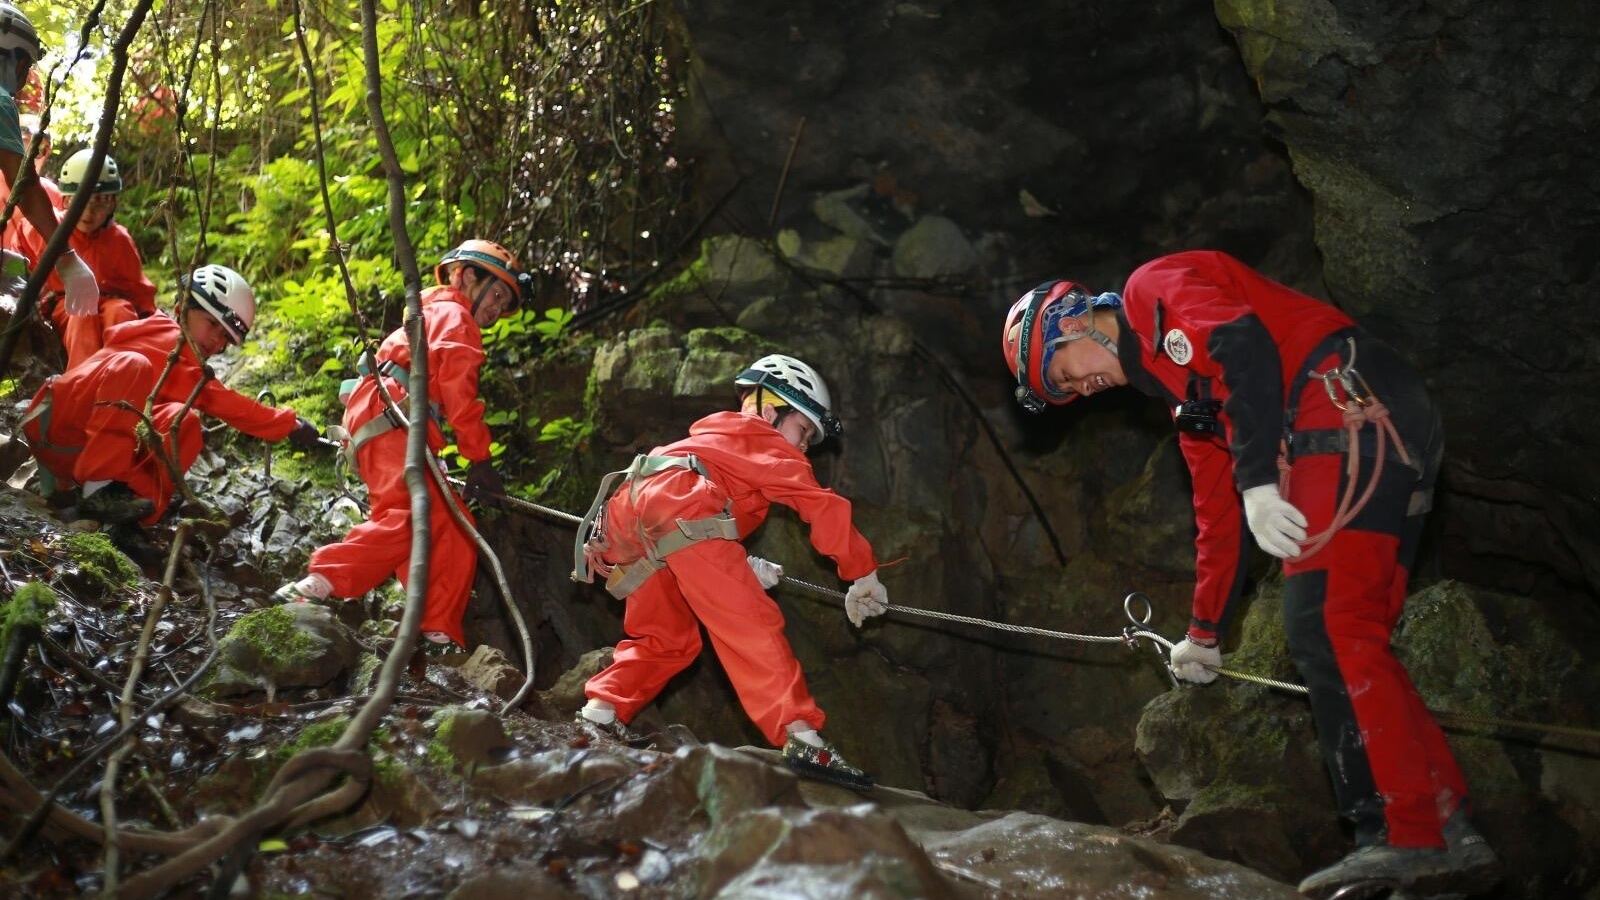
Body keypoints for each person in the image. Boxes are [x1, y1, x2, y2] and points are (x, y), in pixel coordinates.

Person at [1001, 250, 1498, 897]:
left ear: (1068, 327)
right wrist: (1203, 634)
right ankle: (1445, 825)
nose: (1072, 392)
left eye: (1058, 376)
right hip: (1385, 416)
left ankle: (1400, 835)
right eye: (1058, 395)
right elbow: (1218, 520)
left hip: (1341, 400)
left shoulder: (1152, 290)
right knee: (1352, 632)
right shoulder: (1189, 401)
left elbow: (1244, 345)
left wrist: (1260, 481)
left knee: (1326, 624)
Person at [571, 354, 890, 789]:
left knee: (669, 640)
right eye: (802, 430)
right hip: (681, 504)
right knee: (750, 621)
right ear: (769, 409)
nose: (801, 447)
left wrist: (737, 563)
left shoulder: (719, 439)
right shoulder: (762, 437)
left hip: (632, 512)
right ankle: (801, 737)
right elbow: (821, 505)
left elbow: (704, 516)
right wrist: (862, 573)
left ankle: (601, 713)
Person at [272, 239, 527, 647]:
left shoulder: (430, 313)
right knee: (411, 517)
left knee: (454, 525)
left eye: (504, 302)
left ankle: (435, 630)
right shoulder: (454, 316)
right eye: (495, 294)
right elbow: (460, 391)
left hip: (392, 415)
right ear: (465, 276)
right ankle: (318, 583)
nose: (496, 308)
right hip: (394, 415)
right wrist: (479, 459)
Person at [20, 264, 321, 526]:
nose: (216, 341)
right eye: (212, 324)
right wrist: (288, 425)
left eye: (226, 339)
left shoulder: (186, 366)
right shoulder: (163, 337)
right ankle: (98, 491)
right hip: (57, 428)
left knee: (184, 422)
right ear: (181, 309)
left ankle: (131, 519)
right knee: (133, 365)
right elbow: (223, 401)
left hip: (85, 449)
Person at [15, 149, 158, 368]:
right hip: (63, 309)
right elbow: (17, 269)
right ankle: (82, 384)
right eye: (81, 201)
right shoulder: (44, 230)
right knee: (82, 314)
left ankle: (122, 381)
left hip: (108, 305)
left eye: (100, 201)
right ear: (65, 200)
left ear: (113, 204)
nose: (89, 212)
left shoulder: (119, 240)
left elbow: (140, 294)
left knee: (121, 312)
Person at [0, 4, 98, 317]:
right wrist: (66, 258)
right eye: (26, 65)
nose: (25, 77)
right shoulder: (1, 103)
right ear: (12, 56)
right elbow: (25, 187)